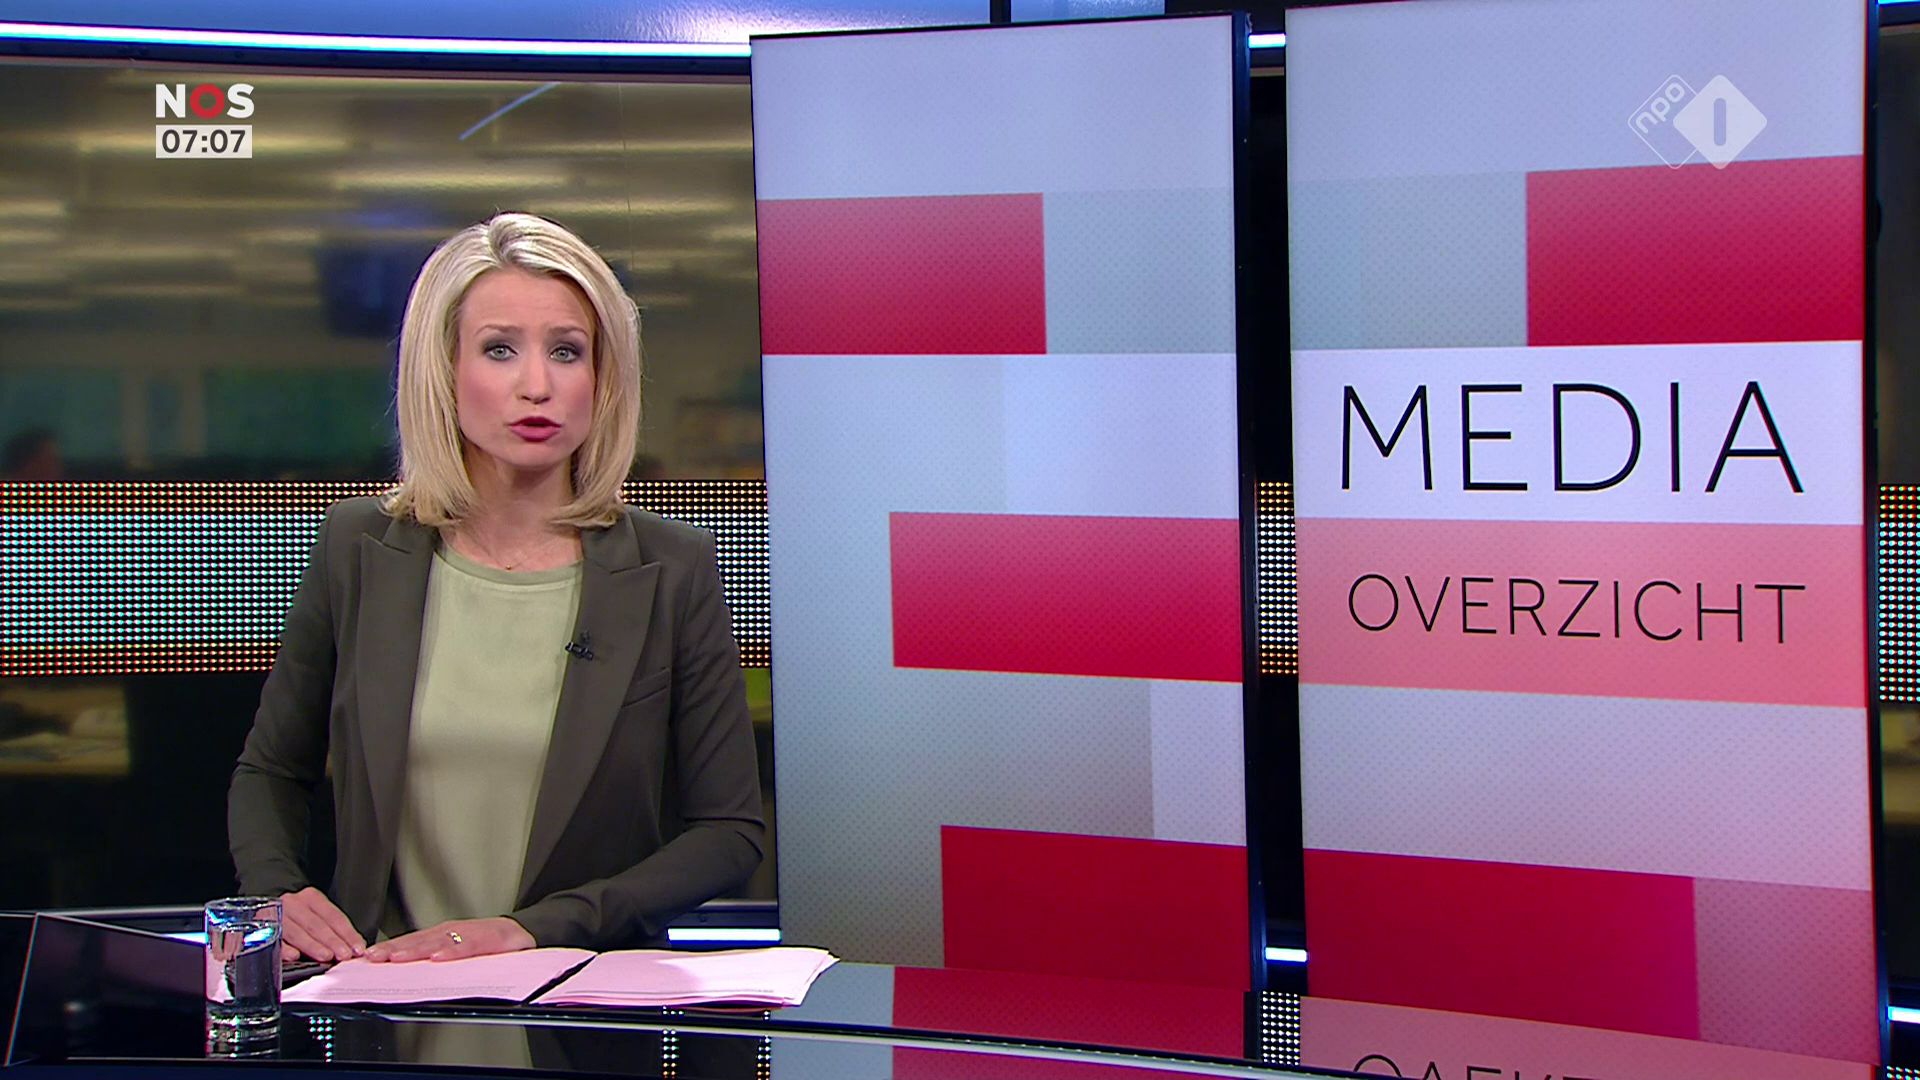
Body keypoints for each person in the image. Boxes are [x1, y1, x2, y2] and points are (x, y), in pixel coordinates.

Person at [228, 213, 764, 963]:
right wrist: (278, 890)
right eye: (500, 349)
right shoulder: (359, 548)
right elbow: (270, 772)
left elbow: (728, 833)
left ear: (602, 377)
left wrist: (534, 928)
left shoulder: (672, 567)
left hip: (583, 997)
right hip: (386, 992)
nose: (537, 386)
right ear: (443, 369)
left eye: (567, 351)